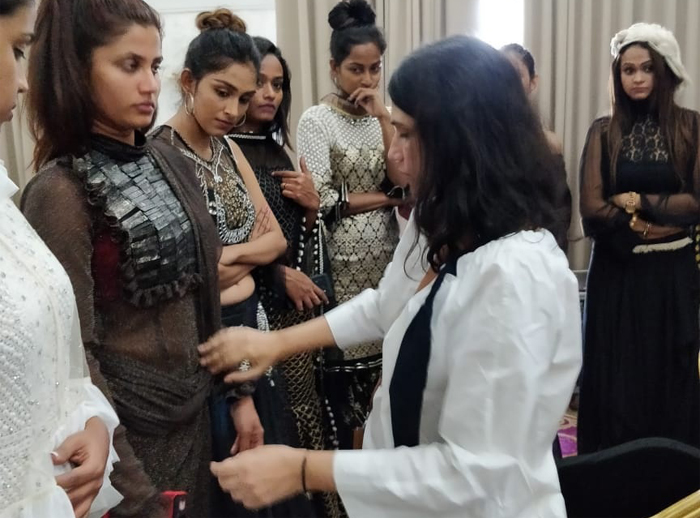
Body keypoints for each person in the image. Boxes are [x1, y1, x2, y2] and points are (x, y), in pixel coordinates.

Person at [199, 35, 582, 517]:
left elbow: (476, 475)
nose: (394, 155)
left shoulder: (515, 277)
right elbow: (387, 304)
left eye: (405, 134)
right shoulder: (442, 217)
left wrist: (303, 468)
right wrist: (275, 344)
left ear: (459, 142)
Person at [21, 1, 224, 515]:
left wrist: (238, 398)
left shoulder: (169, 159)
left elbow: (203, 296)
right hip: (123, 441)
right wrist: (136, 494)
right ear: (76, 70)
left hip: (196, 415)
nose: (151, 85)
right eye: (129, 65)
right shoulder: (59, 193)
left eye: (154, 66)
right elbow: (74, 356)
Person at [150, 10, 315, 518]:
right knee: (230, 475)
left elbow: (275, 240)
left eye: (242, 98)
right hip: (210, 336)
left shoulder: (226, 148)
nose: (233, 110)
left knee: (269, 468)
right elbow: (191, 276)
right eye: (222, 92)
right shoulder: (160, 156)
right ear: (188, 82)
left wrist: (227, 256)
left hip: (254, 325)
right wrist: (240, 254)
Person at [0, 1, 121, 517]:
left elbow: (53, 356)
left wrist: (91, 422)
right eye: (16, 49)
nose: (23, 82)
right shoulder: (55, 190)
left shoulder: (4, 200)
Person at [229, 36, 345, 518]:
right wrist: (278, 276)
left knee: (309, 407)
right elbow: (230, 240)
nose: (269, 94)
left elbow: (300, 234)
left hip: (295, 311)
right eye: (259, 83)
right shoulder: (224, 152)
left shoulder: (277, 151)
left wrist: (313, 207)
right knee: (273, 415)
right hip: (253, 312)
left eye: (278, 84)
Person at [577, 23, 700, 453]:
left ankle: (672, 476)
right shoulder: (603, 131)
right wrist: (655, 221)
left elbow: (696, 203)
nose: (638, 78)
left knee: (670, 370)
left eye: (647, 68)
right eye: (628, 70)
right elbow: (592, 209)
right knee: (617, 377)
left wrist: (635, 200)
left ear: (664, 70)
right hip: (618, 272)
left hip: (671, 274)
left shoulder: (691, 127)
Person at [296, 0, 405, 451]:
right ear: (333, 68)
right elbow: (321, 199)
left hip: (387, 257)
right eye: (355, 69)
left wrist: (383, 117)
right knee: (344, 384)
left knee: (387, 373)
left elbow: (402, 177)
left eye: (374, 68)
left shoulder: (388, 117)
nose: (366, 79)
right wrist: (387, 198)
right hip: (339, 263)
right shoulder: (316, 120)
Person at [501, 43, 563, 155]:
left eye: (517, 74)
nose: (508, 80)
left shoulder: (547, 143)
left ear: (533, 82)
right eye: (501, 73)